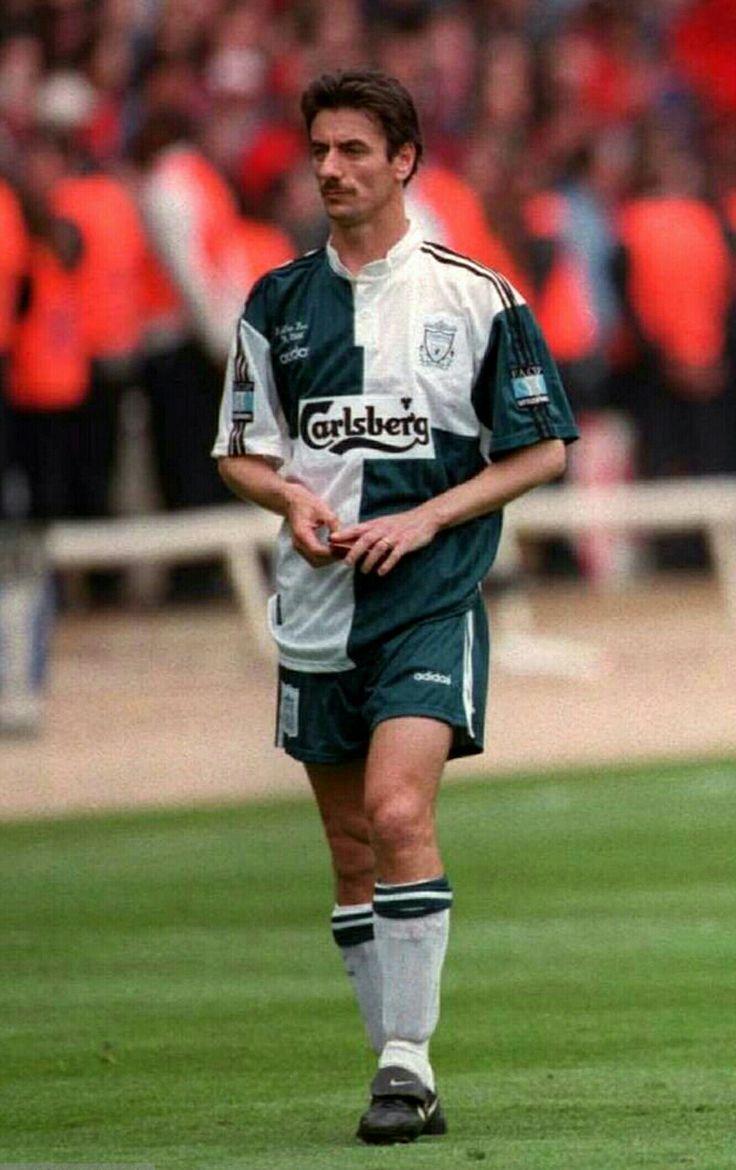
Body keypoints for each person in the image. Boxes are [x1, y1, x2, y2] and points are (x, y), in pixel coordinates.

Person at [213, 70, 578, 1145]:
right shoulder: (276, 304)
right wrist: (286, 494)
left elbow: (544, 447)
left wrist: (427, 520)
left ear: (403, 159)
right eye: (319, 149)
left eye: (353, 151)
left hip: (429, 596)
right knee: (348, 845)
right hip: (316, 606)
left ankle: (405, 1066)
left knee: (398, 811)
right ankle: (396, 1066)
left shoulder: (477, 297)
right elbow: (243, 449)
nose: (330, 168)